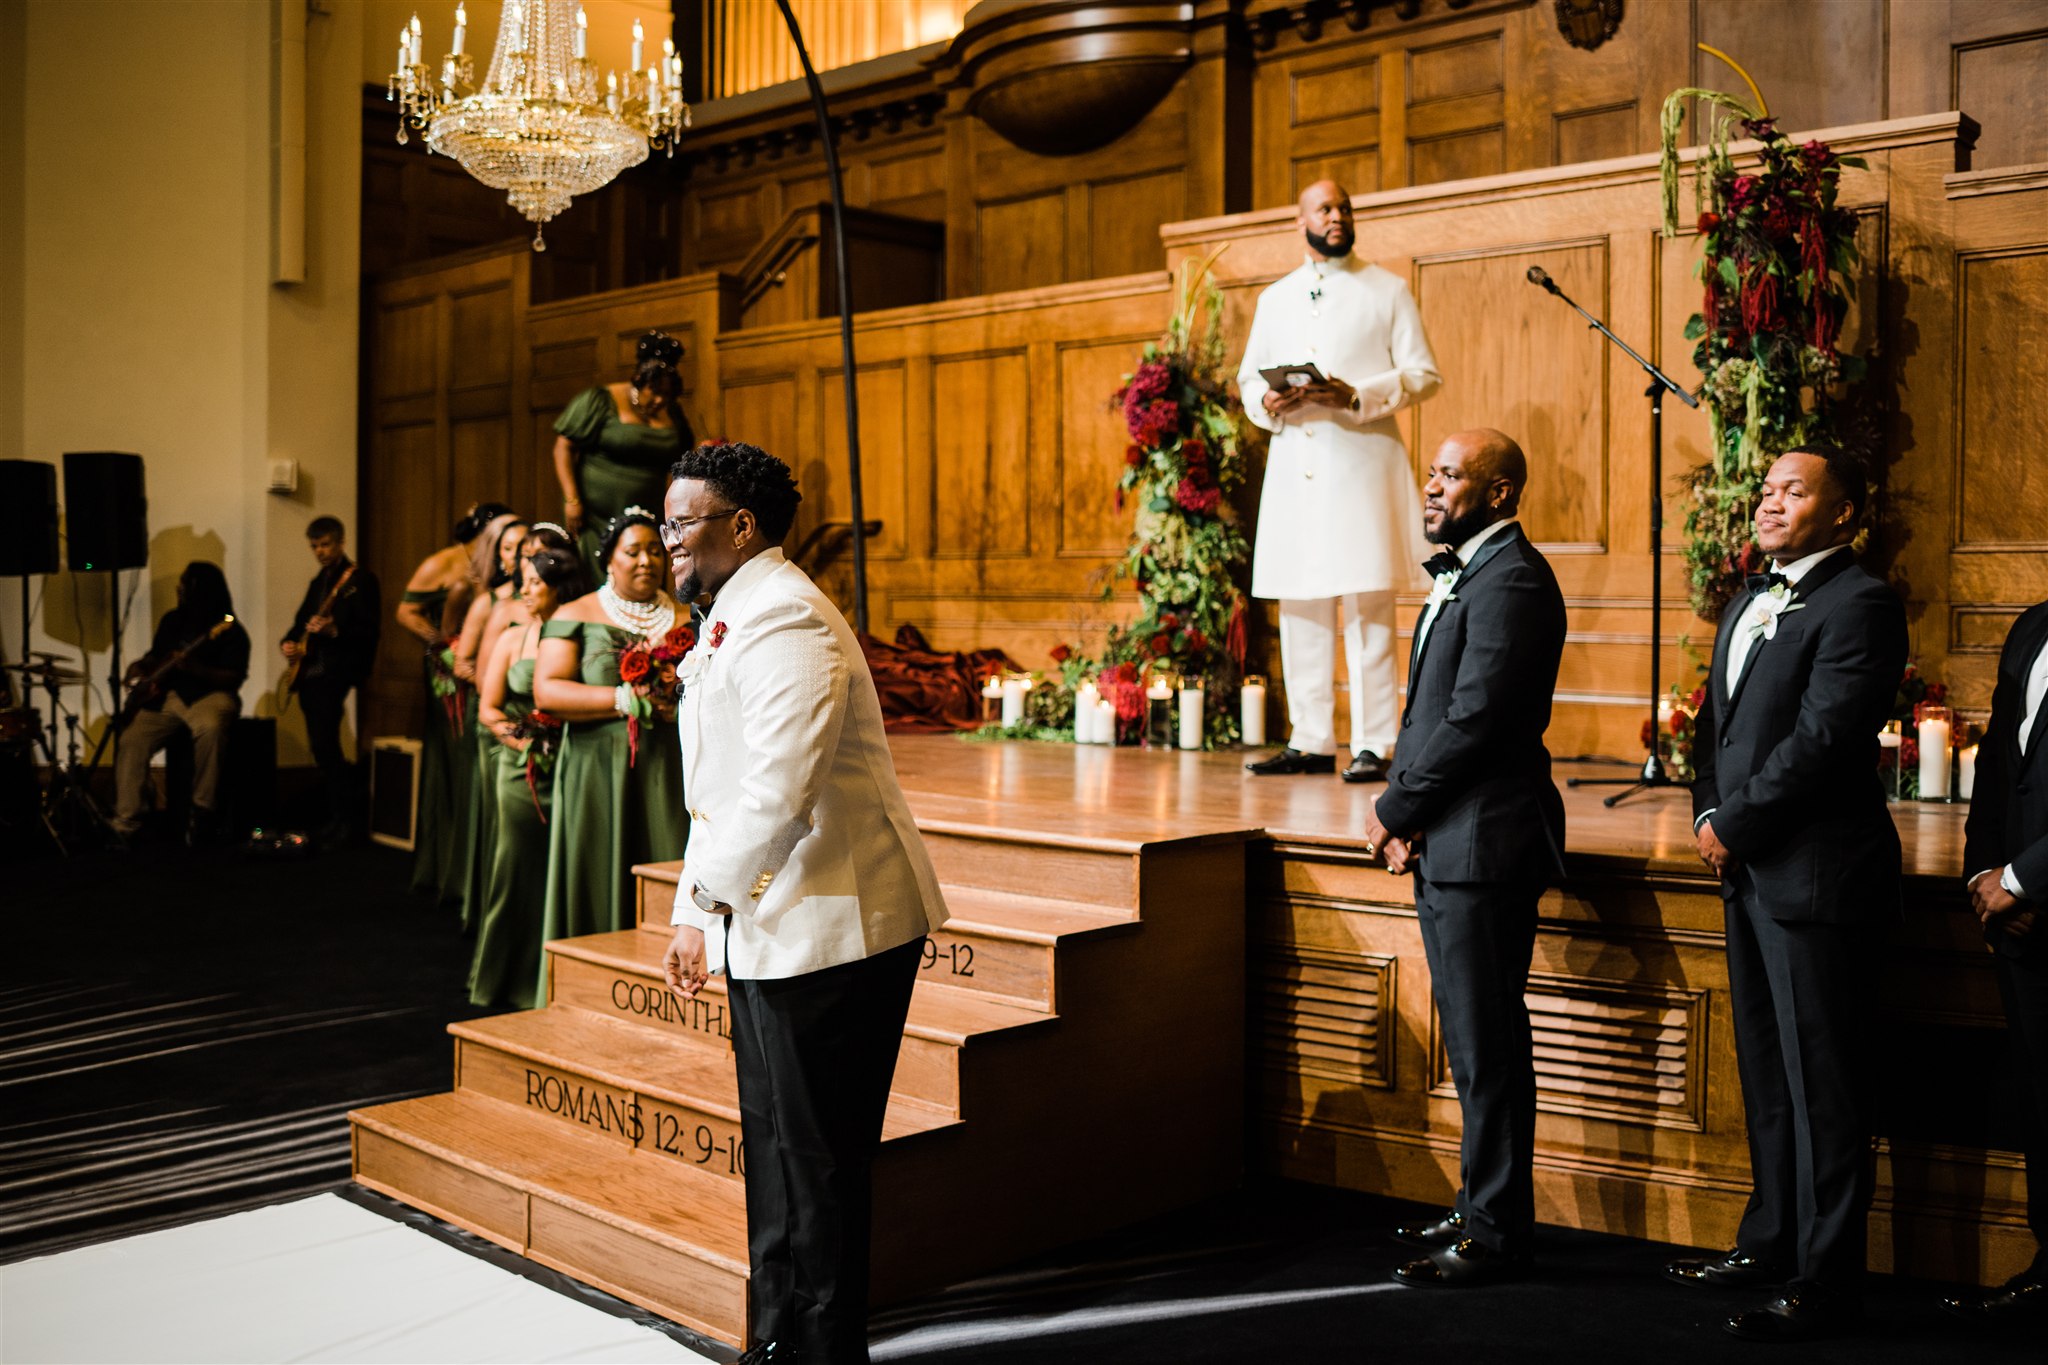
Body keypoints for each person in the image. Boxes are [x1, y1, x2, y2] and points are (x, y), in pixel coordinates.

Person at [661, 441, 948, 1365]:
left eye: (682, 522)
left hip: (837, 929)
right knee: (776, 1149)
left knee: (819, 1165)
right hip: (770, 923)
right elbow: (718, 786)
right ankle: (777, 1339)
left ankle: (826, 1353)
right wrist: (694, 914)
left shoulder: (789, 620)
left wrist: (708, 897)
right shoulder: (730, 617)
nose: (666, 539)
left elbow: (776, 793)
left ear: (741, 526)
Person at [1668, 446, 1906, 1342]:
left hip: (1814, 874)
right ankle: (1769, 1239)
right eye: (1766, 489)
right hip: (1746, 866)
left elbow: (1822, 742)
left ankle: (1828, 1276)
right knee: (1766, 1075)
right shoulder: (1745, 601)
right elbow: (1715, 735)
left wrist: (1737, 824)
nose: (1769, 503)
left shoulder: (1863, 605)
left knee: (1826, 1087)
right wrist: (1706, 812)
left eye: (1793, 491)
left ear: (1844, 513)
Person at [1360, 429, 1565, 1289]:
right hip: (1451, 836)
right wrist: (1413, 818)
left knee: (1487, 1042)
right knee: (1473, 1040)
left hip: (1486, 843)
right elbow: (1426, 713)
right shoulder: (1469, 574)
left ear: (1502, 491)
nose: (1434, 487)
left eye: (1452, 475)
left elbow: (1478, 719)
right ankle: (1480, 1198)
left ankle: (1498, 1228)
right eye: (1434, 473)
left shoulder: (1513, 580)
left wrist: (1396, 806)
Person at [1237, 178, 1441, 784]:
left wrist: (1358, 392)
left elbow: (1423, 374)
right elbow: (1249, 379)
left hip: (1361, 464)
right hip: (1296, 467)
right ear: (1299, 219)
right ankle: (1310, 738)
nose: (1337, 216)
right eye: (1325, 208)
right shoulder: (1275, 298)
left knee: (1369, 604)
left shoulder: (1387, 289)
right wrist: (1265, 401)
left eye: (1344, 207)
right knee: (1300, 606)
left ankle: (1375, 741)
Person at [1943, 597, 2048, 1324]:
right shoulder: (2032, 624)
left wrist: (2023, 879)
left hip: (2036, 891)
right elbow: (1997, 769)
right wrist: (1984, 871)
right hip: (2015, 914)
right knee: (2041, 1098)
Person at [532, 508, 688, 983]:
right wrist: (622, 697)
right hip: (595, 766)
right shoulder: (574, 614)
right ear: (609, 561)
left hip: (667, 765)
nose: (647, 561)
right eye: (633, 551)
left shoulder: (688, 615)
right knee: (596, 870)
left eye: (655, 551)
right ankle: (589, 981)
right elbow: (548, 690)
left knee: (667, 860)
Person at [471, 546, 593, 1010]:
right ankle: (503, 979)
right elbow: (488, 709)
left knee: (558, 872)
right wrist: (524, 742)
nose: (524, 590)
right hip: (520, 772)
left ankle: (555, 981)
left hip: (570, 766)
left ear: (558, 589)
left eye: (535, 583)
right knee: (515, 870)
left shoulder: (577, 636)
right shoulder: (512, 638)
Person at [394, 503, 518, 904]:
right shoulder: (451, 573)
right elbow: (410, 614)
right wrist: (446, 652)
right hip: (456, 675)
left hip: (490, 673)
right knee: (454, 767)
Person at [113, 561, 252, 845]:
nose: (180, 588)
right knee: (132, 739)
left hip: (210, 695)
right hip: (169, 696)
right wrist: (139, 667)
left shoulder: (229, 629)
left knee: (210, 728)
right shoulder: (172, 620)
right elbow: (156, 656)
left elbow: (233, 678)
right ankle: (127, 821)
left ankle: (203, 810)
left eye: (186, 583)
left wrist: (196, 669)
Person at [552, 331, 694, 575]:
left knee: (643, 576)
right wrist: (572, 500)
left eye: (668, 394)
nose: (661, 399)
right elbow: (563, 447)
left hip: (649, 518)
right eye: (655, 390)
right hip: (597, 519)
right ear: (639, 379)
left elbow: (682, 459)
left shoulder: (674, 413)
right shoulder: (600, 399)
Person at [281, 516, 381, 846]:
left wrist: (335, 630)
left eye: (325, 545)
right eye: (314, 546)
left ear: (340, 543)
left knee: (326, 745)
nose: (320, 552)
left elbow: (369, 631)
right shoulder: (319, 581)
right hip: (312, 674)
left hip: (336, 673)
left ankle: (346, 820)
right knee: (322, 747)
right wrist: (290, 642)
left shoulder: (360, 581)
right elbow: (300, 623)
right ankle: (338, 816)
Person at [450, 515, 529, 928]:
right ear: (499, 555)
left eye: (523, 544)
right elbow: (467, 664)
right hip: (497, 721)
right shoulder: (491, 603)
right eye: (508, 547)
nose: (517, 554)